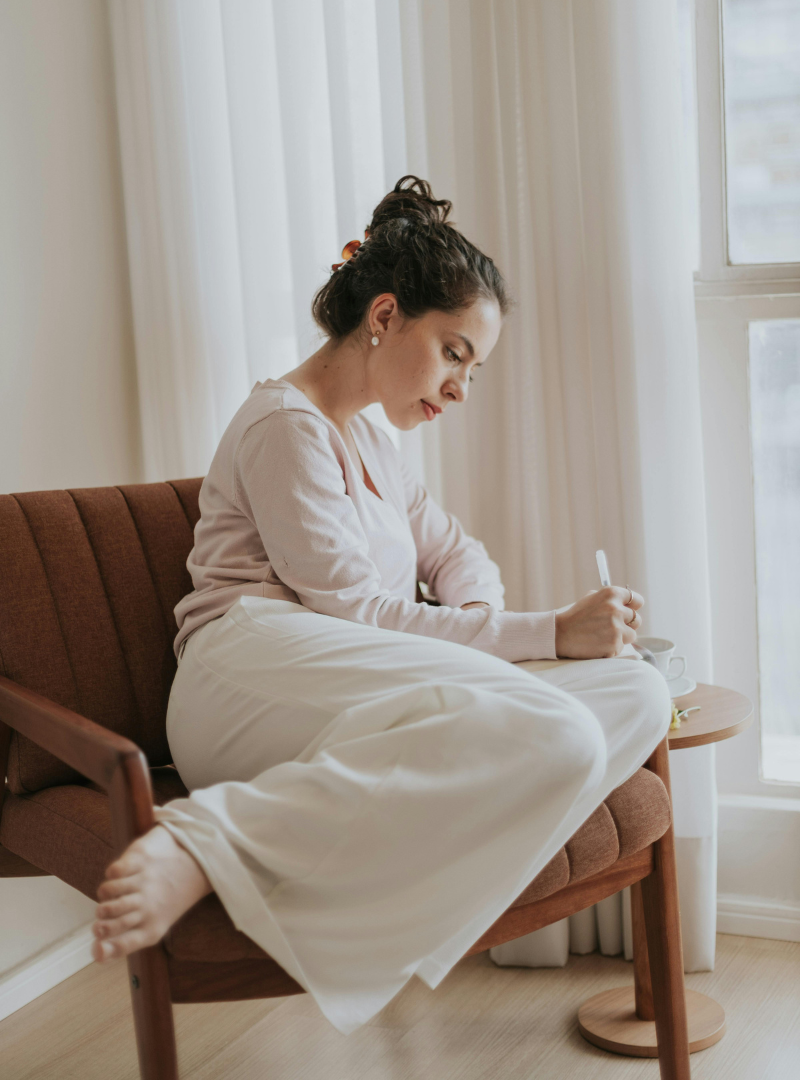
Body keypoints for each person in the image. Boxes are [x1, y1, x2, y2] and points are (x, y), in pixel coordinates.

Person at [90, 176, 670, 1035]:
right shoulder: (283, 426)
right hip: (248, 670)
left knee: (639, 695)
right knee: (564, 730)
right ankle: (208, 837)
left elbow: (453, 551)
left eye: (472, 366)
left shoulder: (370, 432)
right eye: (454, 354)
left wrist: (513, 637)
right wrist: (547, 633)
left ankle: (401, 872)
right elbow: (355, 612)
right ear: (387, 316)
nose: (460, 388)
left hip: (342, 681)